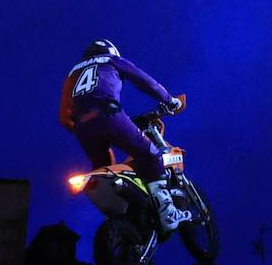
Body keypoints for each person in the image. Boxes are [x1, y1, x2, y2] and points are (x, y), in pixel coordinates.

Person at [60, 39, 191, 231]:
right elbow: (144, 81)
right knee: (150, 155)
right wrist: (170, 100)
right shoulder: (111, 60)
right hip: (108, 114)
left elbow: (64, 116)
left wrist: (85, 126)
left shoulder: (73, 73)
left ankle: (132, 219)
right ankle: (168, 212)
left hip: (83, 127)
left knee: (107, 170)